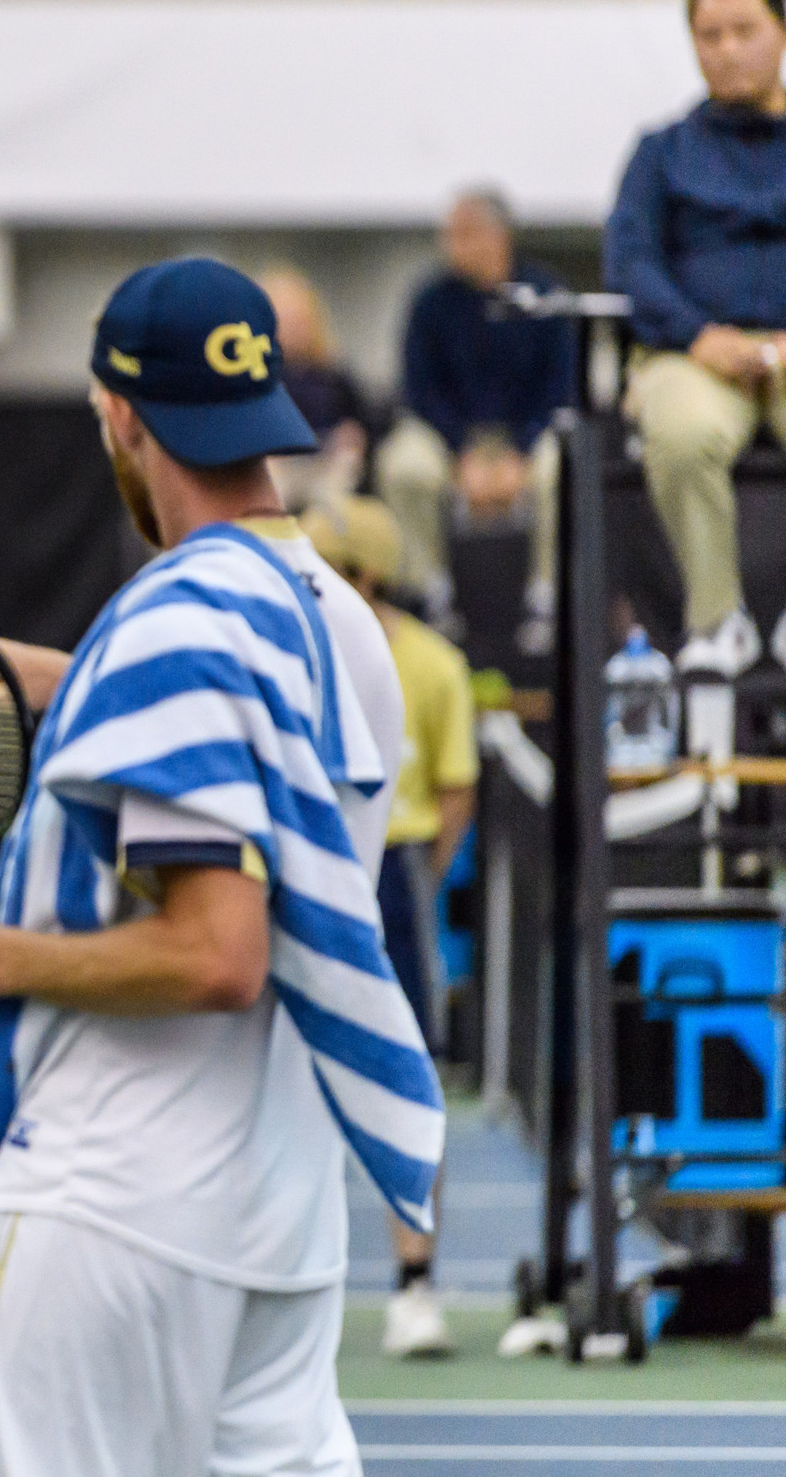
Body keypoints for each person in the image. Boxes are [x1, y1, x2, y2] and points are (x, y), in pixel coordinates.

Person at [0, 258, 442, 1477]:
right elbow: (254, 741)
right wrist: (54, 676)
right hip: (279, 1227)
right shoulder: (338, 625)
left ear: (119, 415)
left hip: (105, 1212)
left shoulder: (170, 627)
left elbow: (214, 953)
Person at [606, 0, 786, 678]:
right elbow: (632, 262)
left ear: (784, 35)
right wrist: (698, 335)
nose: (727, 50)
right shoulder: (660, 153)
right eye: (709, 36)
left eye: (743, 32)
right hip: (694, 354)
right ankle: (717, 620)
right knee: (683, 432)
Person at [304, 495, 478, 1361]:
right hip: (290, 868)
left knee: (410, 1084)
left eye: (328, 574)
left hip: (394, 884)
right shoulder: (277, 650)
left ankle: (415, 1283)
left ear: (367, 581)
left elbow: (455, 793)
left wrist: (402, 877)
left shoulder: (434, 666)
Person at [374, 191, 573, 652]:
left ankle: (548, 597)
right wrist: (460, 451)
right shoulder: (430, 301)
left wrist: (520, 453)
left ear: (496, 237)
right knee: (404, 467)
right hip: (452, 436)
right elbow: (419, 389)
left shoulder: (544, 295)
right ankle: (428, 593)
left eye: (462, 235)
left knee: (559, 470)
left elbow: (560, 388)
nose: (450, 246)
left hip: (526, 434)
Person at [258, 266, 371, 515]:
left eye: (299, 320)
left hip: (326, 460)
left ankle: (329, 533)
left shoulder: (332, 371)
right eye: (285, 321)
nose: (294, 330)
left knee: (339, 481)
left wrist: (353, 435)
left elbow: (363, 417)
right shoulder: (260, 374)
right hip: (280, 464)